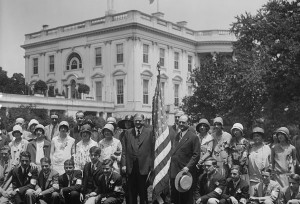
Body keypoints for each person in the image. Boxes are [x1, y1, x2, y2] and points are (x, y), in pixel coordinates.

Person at [121, 113, 154, 204]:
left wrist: (151, 166)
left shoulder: (149, 132)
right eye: (136, 121)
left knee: (143, 191)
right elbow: (124, 151)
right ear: (133, 121)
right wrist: (123, 165)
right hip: (131, 167)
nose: (138, 122)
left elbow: (152, 150)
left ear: (143, 121)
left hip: (144, 167)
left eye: (140, 120)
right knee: (131, 192)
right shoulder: (128, 133)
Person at [170, 115, 200, 204]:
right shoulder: (176, 136)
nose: (181, 124)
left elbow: (196, 155)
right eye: (180, 122)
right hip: (174, 170)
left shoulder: (193, 137)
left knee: (186, 197)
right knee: (175, 197)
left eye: (183, 122)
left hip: (185, 171)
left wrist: (188, 167)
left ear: (188, 123)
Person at [248, 127, 271, 196]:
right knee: (252, 199)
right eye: (254, 136)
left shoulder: (267, 148)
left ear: (262, 137)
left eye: (258, 136)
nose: (256, 138)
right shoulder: (250, 148)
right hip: (253, 180)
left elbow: (271, 164)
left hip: (265, 180)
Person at [117, 115, 134, 204]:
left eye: (129, 122)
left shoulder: (135, 133)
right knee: (125, 185)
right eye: (126, 122)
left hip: (133, 162)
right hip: (124, 162)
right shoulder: (122, 134)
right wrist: (123, 164)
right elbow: (122, 150)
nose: (127, 124)